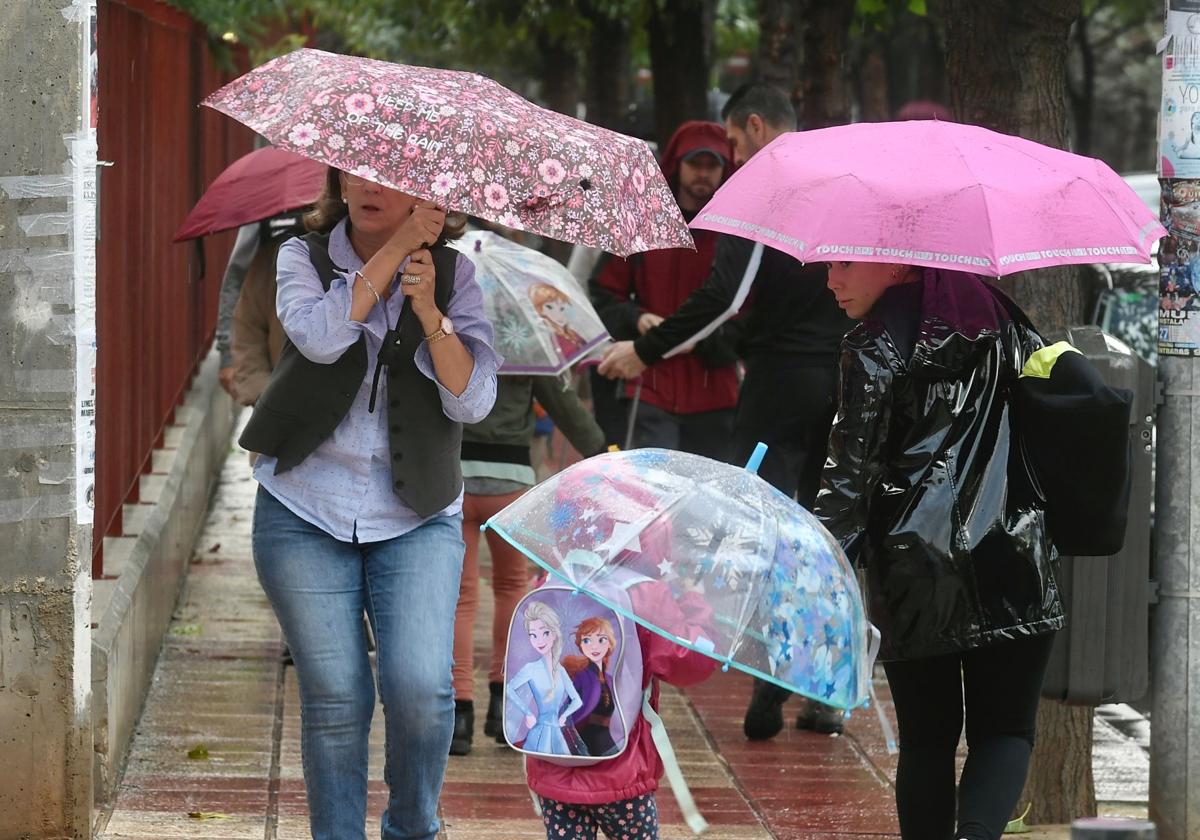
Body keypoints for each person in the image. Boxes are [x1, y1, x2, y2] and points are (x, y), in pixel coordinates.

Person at [239, 166, 501, 840]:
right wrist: (391, 255)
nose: (369, 185)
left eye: (392, 176)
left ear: (427, 194)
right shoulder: (304, 254)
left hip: (416, 514)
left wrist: (430, 315)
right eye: (356, 171)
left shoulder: (457, 275)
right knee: (337, 697)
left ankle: (414, 826)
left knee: (420, 689)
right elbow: (320, 339)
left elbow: (472, 401)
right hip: (304, 505)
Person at [598, 83, 852, 738]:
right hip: (845, 381)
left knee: (767, 532)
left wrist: (645, 350)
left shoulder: (760, 188)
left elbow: (723, 295)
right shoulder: (843, 181)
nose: (732, 157)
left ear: (758, 128)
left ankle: (771, 678)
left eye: (734, 142)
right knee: (833, 533)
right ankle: (826, 684)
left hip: (775, 384)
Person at [815, 260, 1064, 840]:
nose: (832, 279)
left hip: (914, 569)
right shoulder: (1007, 322)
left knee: (927, 739)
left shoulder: (875, 343)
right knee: (1004, 731)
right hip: (1015, 550)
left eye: (845, 261)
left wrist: (824, 559)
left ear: (897, 261)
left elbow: (849, 473)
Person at [451, 374, 606, 755]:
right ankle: (504, 702)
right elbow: (564, 405)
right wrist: (604, 448)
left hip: (455, 474)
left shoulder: (448, 326)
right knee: (511, 587)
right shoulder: (525, 343)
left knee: (461, 595)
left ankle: (459, 714)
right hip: (512, 481)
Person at [589, 121, 740, 459]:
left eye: (711, 165)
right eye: (695, 164)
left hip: (714, 394)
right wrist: (638, 318)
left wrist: (697, 340)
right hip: (649, 386)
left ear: (724, 169)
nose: (702, 173)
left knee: (708, 501)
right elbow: (602, 295)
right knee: (653, 495)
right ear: (677, 164)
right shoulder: (644, 223)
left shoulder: (735, 233)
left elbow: (746, 315)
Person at [525, 582, 717, 840]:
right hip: (621, 775)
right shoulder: (646, 593)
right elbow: (690, 661)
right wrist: (693, 599)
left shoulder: (551, 579)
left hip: (554, 768)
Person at [227, 213, 305, 407]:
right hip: (282, 405)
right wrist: (264, 397)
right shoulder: (272, 256)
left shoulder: (372, 254)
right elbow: (248, 329)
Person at [562, 616, 619, 757]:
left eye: (601, 640)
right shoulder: (580, 676)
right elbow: (566, 708)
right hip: (585, 742)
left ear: (609, 644)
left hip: (608, 740)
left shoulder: (610, 680)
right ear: (580, 645)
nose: (594, 646)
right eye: (587, 640)